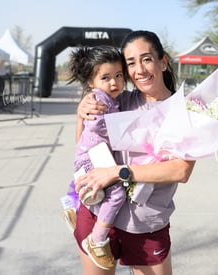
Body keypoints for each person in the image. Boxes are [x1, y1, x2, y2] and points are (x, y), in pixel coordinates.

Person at [74, 30, 196, 275]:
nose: (139, 69)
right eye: (131, 63)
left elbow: (181, 170)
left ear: (163, 61)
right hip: (98, 217)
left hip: (146, 226)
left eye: (147, 59)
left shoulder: (186, 111)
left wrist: (117, 173)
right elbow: (84, 144)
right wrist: (81, 114)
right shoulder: (117, 101)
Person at [68, 45, 127, 270]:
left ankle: (71, 205)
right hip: (93, 159)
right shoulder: (99, 100)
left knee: (82, 184)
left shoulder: (108, 98)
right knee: (115, 194)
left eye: (118, 76)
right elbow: (95, 123)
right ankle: (97, 239)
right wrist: (121, 129)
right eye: (106, 77)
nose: (114, 82)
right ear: (91, 81)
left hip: (89, 156)